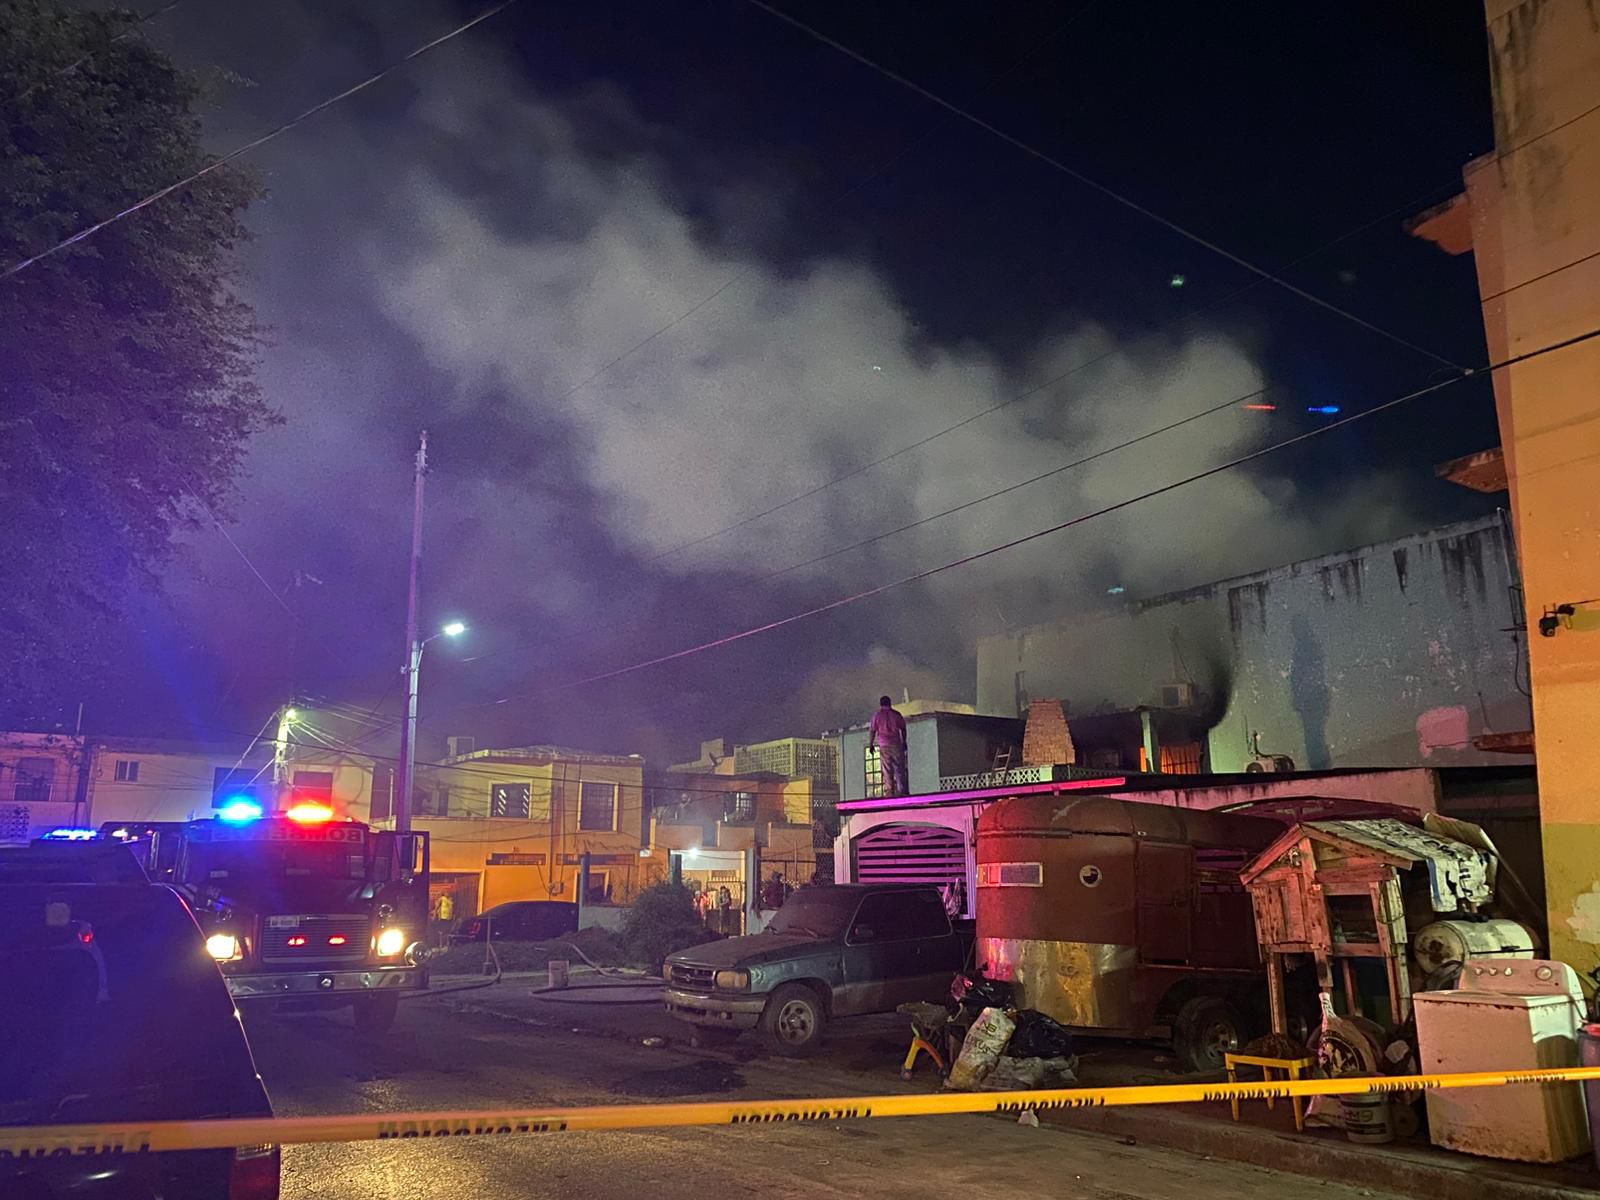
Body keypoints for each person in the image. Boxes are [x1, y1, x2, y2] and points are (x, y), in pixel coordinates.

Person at [870, 695, 909, 797]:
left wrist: (871, 744)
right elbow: (903, 728)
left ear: (881, 704)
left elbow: (872, 731)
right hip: (896, 744)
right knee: (899, 767)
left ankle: (889, 791)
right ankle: (901, 790)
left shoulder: (877, 716)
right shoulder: (896, 714)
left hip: (884, 745)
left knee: (887, 769)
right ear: (890, 703)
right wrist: (904, 741)